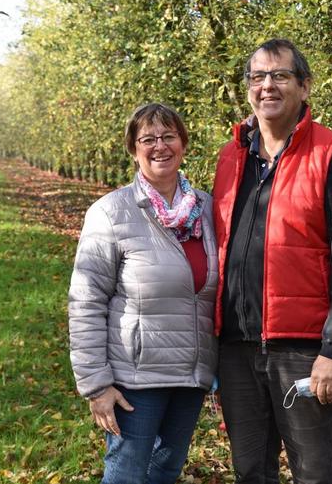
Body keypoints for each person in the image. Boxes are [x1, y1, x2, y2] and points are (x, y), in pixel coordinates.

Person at [212, 39, 332, 484]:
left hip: (302, 349)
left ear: (304, 86)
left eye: (280, 75)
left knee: (314, 472)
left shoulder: (330, 155)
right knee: (250, 471)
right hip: (237, 347)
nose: (268, 86)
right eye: (257, 77)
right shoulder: (231, 157)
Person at [68, 103, 218, 484]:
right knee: (127, 475)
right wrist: (96, 385)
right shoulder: (111, 212)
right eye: (147, 139)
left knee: (165, 471)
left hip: (190, 374)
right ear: (134, 149)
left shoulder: (208, 210)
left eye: (168, 136)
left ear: (183, 144)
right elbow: (86, 302)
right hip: (135, 378)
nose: (160, 146)